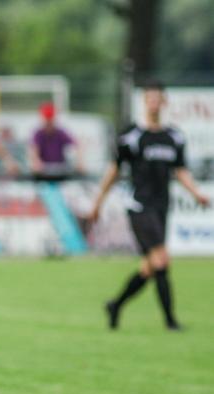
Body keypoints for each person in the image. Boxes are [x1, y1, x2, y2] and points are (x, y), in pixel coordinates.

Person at [89, 82, 210, 330]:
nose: (154, 103)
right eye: (150, 99)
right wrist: (98, 201)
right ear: (144, 102)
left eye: (158, 99)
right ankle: (170, 322)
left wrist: (197, 193)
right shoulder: (131, 136)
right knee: (162, 260)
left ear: (164, 102)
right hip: (139, 205)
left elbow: (180, 170)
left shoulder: (174, 137)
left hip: (161, 206)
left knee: (149, 268)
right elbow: (114, 170)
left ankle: (115, 305)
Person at [29, 102, 82, 180]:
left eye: (50, 119)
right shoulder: (38, 134)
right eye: (47, 119)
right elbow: (33, 150)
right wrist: (36, 162)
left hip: (60, 171)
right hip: (43, 172)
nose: (49, 122)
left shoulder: (61, 133)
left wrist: (80, 161)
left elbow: (77, 145)